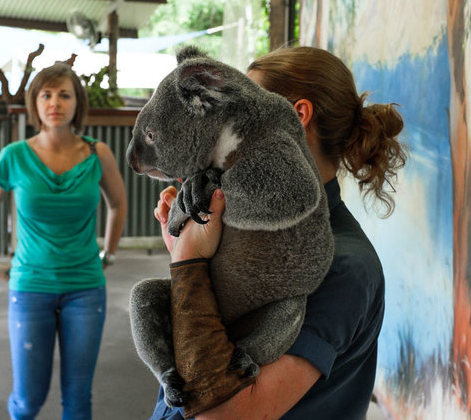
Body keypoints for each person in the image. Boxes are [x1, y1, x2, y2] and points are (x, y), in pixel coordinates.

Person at [150, 46, 406, 419]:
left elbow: (222, 414)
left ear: (297, 116)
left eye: (238, 110)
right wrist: (184, 255)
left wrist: (189, 263)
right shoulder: (239, 224)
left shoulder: (343, 266)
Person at [0, 62, 127, 420]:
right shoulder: (14, 156)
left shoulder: (97, 154)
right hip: (30, 286)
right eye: (46, 94)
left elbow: (118, 203)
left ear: (77, 103)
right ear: (35, 103)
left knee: (78, 399)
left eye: (64, 94)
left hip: (86, 288)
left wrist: (109, 252)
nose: (54, 102)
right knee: (28, 400)